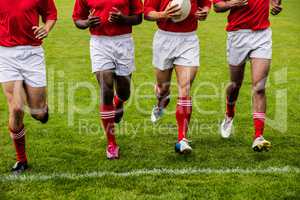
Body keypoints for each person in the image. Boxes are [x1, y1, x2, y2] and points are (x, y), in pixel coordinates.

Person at [72, 0, 143, 159]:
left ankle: (119, 101)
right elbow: (77, 19)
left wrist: (123, 19)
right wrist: (87, 23)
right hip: (99, 43)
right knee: (106, 88)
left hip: (124, 42)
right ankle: (111, 144)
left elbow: (139, 17)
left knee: (124, 92)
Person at [213, 0, 283, 151]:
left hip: (262, 35)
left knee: (259, 87)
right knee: (235, 84)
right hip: (237, 35)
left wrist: (276, 4)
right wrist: (233, 4)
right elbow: (217, 7)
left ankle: (258, 136)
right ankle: (229, 114)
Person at [144, 0, 211, 154]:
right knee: (162, 88)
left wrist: (204, 11)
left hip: (189, 40)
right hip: (164, 39)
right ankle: (162, 100)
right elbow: (147, 12)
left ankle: (182, 139)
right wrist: (163, 14)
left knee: (185, 87)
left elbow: (206, 3)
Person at [0, 0, 57, 174]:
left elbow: (51, 14)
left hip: (32, 54)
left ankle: (40, 107)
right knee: (16, 108)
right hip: (6, 54)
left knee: (38, 113)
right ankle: (21, 160)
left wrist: (46, 28)